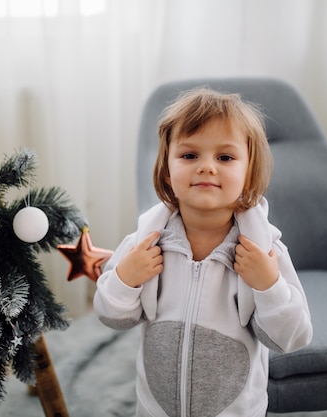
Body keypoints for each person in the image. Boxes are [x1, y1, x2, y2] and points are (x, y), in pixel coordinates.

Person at [93, 87, 313, 417]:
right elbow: (111, 315)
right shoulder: (144, 243)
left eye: (225, 157)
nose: (207, 167)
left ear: (248, 171)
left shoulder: (264, 253)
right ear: (167, 169)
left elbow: (292, 338)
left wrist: (268, 285)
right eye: (189, 155)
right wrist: (126, 278)